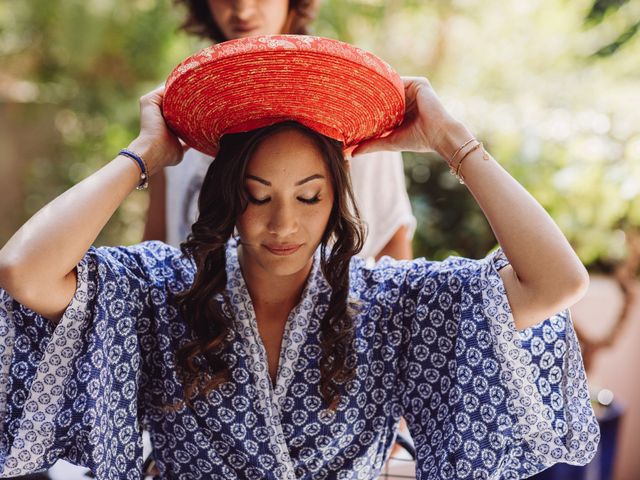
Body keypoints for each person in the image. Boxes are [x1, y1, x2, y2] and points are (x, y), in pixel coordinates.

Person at [0, 37, 599, 480]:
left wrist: (452, 142)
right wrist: (145, 153)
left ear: (337, 198)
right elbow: (23, 271)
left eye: (309, 197)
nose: (283, 224)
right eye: (257, 197)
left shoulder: (393, 303)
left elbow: (556, 281)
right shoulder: (162, 291)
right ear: (228, 199)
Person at [144, 0, 415, 261]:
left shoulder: (346, 102)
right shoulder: (180, 105)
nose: (243, 8)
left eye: (307, 197)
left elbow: (390, 239)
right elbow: (156, 242)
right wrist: (140, 159)